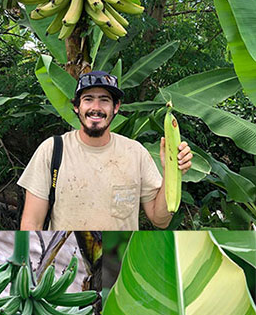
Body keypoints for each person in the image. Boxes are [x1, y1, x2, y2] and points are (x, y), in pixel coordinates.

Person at [18, 70, 193, 230]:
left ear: (115, 107)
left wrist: (171, 171)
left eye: (104, 100)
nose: (96, 107)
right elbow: (32, 223)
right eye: (88, 99)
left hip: (117, 256)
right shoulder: (52, 150)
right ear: (76, 106)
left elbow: (160, 220)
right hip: (69, 250)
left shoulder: (135, 153)